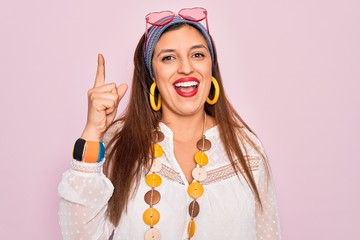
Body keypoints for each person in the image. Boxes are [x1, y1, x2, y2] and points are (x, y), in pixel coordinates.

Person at [58, 7, 281, 240]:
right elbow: (79, 236)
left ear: (211, 68)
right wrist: (93, 133)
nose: (186, 68)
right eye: (168, 58)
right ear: (152, 74)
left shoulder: (246, 149)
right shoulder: (119, 143)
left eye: (197, 55)